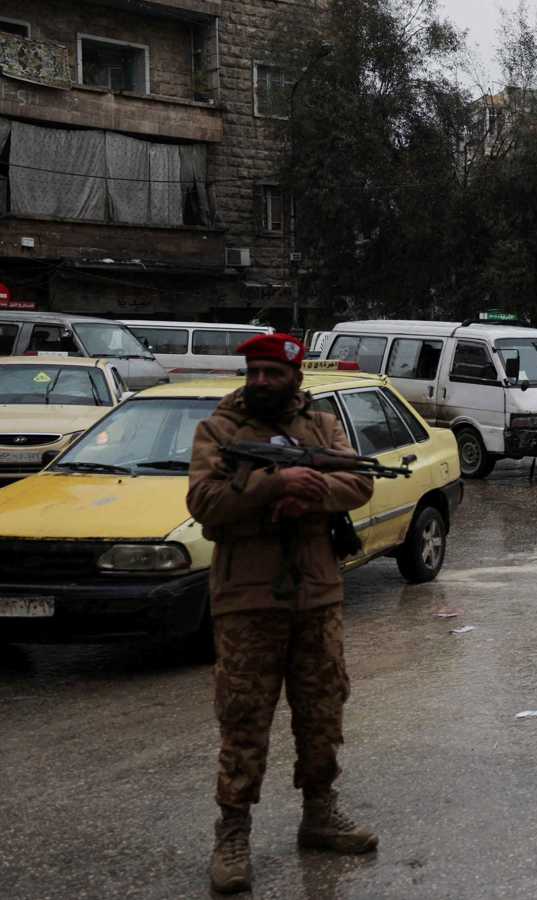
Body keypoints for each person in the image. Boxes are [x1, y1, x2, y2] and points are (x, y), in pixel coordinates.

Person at [186, 333, 378, 895]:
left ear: (295, 377)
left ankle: (320, 813)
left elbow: (360, 479)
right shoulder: (218, 430)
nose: (262, 382)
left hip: (316, 594)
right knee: (243, 716)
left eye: (273, 373)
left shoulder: (321, 425)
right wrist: (273, 486)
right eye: (254, 372)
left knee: (322, 710)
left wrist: (310, 494)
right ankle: (233, 833)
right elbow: (203, 501)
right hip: (247, 597)